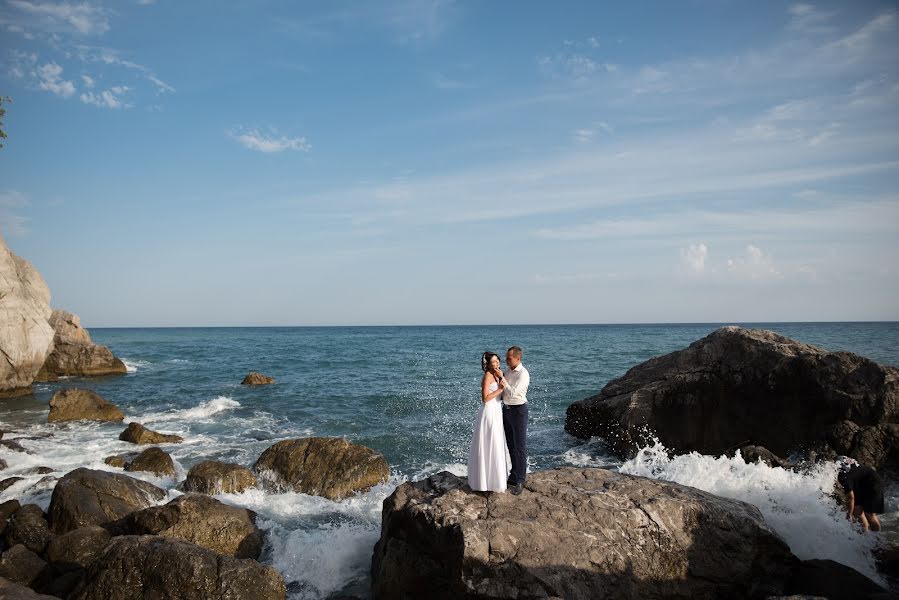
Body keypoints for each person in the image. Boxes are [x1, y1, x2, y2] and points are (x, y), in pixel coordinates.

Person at [467, 351, 510, 493]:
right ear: (487, 364)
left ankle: (495, 480)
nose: (497, 363)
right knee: (490, 444)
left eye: (498, 361)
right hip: (489, 412)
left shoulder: (499, 373)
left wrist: (501, 378)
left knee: (497, 444)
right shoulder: (487, 376)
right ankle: (484, 483)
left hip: (498, 411)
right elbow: (485, 398)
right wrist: (500, 389)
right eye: (494, 362)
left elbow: (505, 389)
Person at [501, 346, 530, 496]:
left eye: (509, 358)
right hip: (506, 410)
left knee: (520, 446)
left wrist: (502, 380)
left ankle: (520, 479)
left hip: (518, 410)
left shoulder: (523, 374)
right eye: (506, 358)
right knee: (510, 444)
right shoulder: (507, 371)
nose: (506, 360)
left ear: (518, 359)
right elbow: (502, 391)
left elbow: (512, 393)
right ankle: (513, 475)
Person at [838, 461, 884, 532]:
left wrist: (849, 515)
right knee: (857, 511)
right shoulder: (840, 460)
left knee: (870, 514)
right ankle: (864, 536)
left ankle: (876, 538)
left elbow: (851, 498)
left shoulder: (843, 477)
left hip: (873, 484)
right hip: (862, 484)